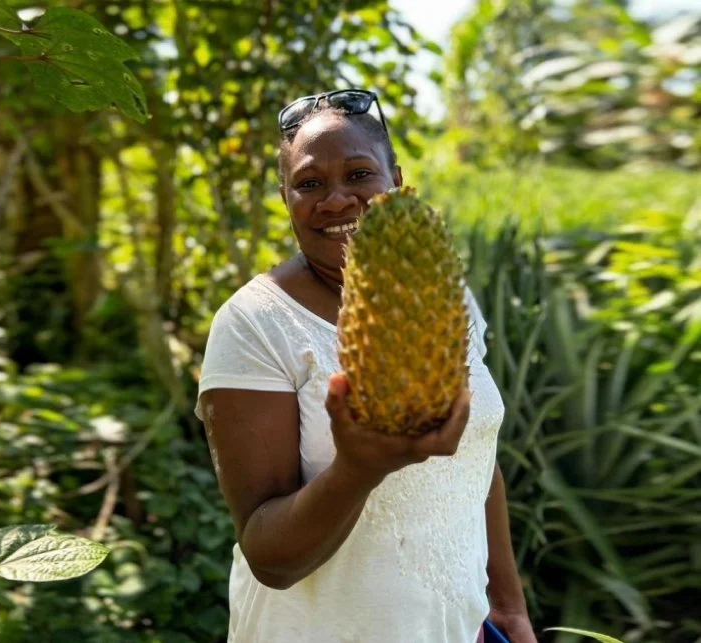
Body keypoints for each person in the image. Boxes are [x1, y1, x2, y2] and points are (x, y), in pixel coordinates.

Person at [195, 89, 536, 643]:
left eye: (358, 174)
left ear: (395, 180)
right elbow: (270, 558)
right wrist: (359, 466)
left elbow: (477, 460)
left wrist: (507, 604)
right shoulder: (254, 322)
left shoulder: (443, 295)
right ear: (285, 197)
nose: (335, 200)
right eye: (309, 184)